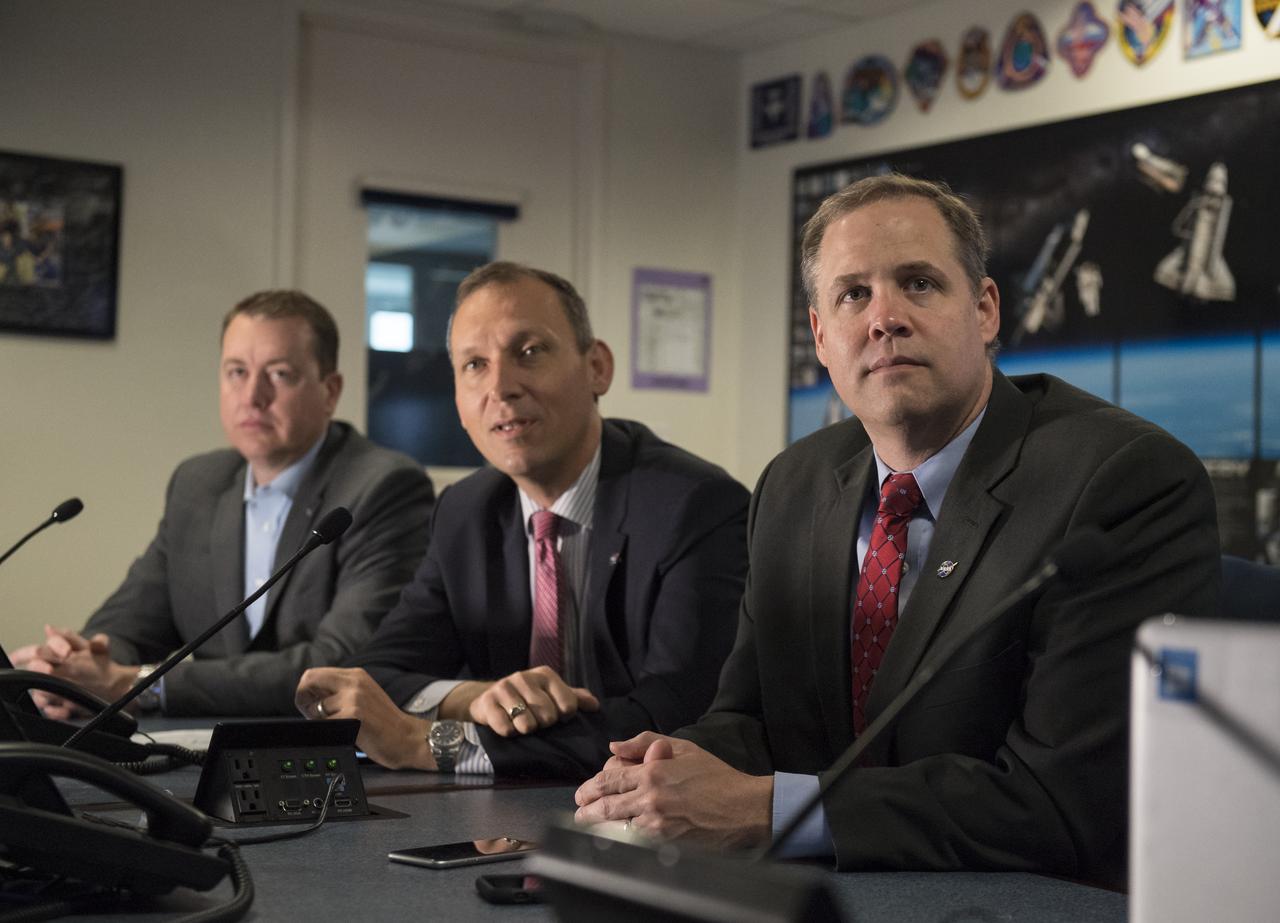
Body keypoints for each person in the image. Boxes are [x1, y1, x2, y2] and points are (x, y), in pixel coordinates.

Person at [573, 175, 1220, 886]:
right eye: (853, 294)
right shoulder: (793, 484)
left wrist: (768, 809)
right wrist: (660, 775)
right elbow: (754, 719)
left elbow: (1062, 800)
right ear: (822, 337)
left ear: (984, 309)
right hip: (830, 891)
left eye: (918, 283)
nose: (884, 318)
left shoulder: (1122, 480)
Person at [295, 262, 748, 779]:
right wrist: (477, 697)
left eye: (529, 352)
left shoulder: (694, 505)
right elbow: (376, 676)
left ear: (597, 367)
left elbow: (672, 718)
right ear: (459, 401)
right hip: (513, 809)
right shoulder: (465, 511)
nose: (501, 387)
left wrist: (433, 744)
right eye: (474, 365)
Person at [12, 290, 434, 716]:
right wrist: (77, 664)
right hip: (204, 747)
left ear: (330, 391)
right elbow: (130, 622)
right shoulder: (198, 484)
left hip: (331, 749)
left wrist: (138, 685)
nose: (252, 396)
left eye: (280, 374)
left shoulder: (381, 487)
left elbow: (342, 664)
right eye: (237, 372)